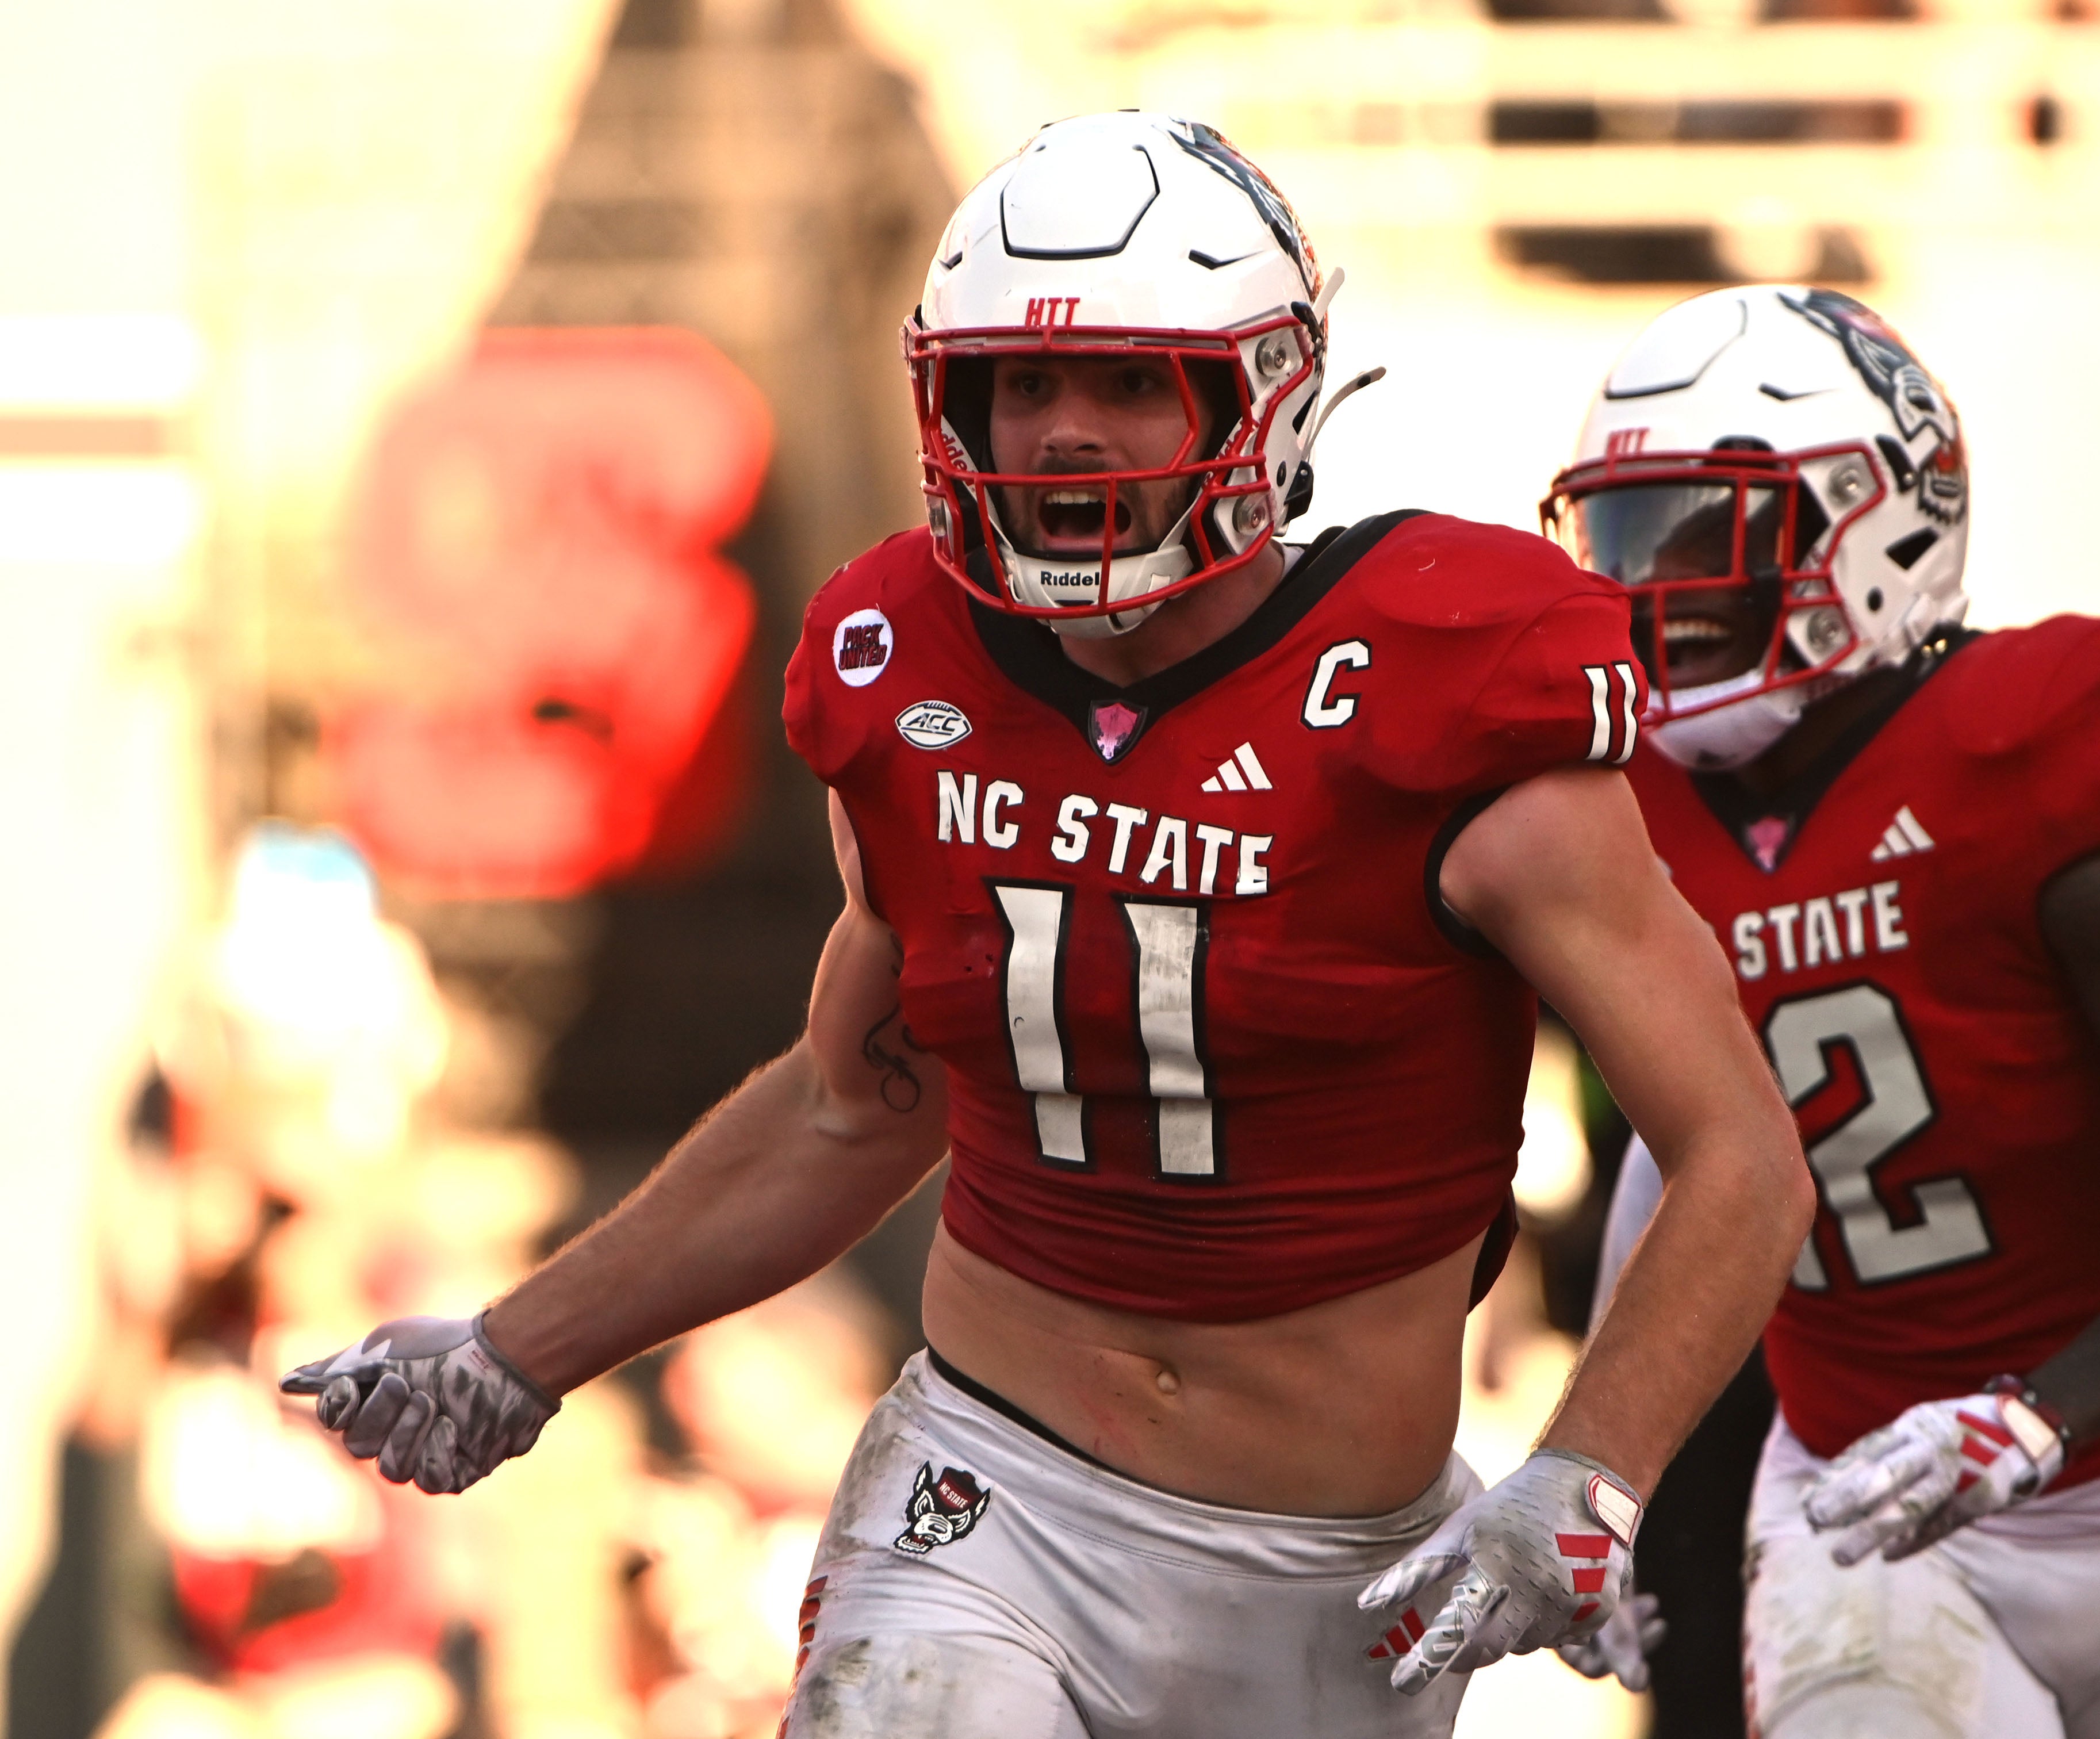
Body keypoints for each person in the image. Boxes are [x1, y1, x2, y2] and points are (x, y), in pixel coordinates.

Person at [279, 114, 1811, 1738]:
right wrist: (521, 1349)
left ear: (1262, 394)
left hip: (1331, 1565)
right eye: (1024, 383)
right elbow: (852, 1102)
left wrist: (1590, 1466)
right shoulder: (902, 671)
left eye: (1132, 380)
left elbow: (1737, 1149)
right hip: (992, 1493)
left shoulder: (1445, 686)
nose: (1068, 433)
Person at [1559, 285, 2100, 1737]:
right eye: (1624, 537)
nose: (1649, 588)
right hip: (1862, 1492)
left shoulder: (2031, 741)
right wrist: (1595, 1461)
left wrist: (2031, 1415)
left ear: (1871, 527)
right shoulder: (1628, 810)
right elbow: (1683, 1152)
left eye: (1698, 535)